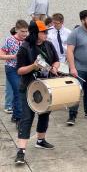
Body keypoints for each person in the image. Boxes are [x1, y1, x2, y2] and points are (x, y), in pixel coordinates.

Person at [14, 20, 60, 164]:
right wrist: (33, 66)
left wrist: (55, 67)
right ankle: (21, 151)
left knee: (45, 113)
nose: (46, 33)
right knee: (27, 118)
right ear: (35, 33)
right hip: (29, 87)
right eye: (43, 32)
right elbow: (20, 70)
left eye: (46, 31)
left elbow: (56, 60)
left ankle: (40, 140)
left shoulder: (49, 44)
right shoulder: (25, 48)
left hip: (46, 86)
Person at [0, 20, 29, 126]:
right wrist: (14, 56)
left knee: (23, 92)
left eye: (26, 31)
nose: (25, 34)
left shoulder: (28, 41)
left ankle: (15, 115)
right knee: (18, 91)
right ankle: (19, 119)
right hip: (11, 69)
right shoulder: (9, 40)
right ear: (16, 30)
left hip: (25, 69)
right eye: (22, 31)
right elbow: (1, 55)